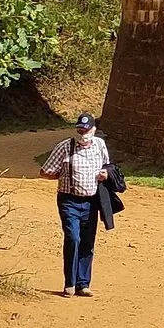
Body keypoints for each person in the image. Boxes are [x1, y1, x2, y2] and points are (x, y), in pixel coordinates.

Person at [40, 113, 111, 297]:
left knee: (87, 241)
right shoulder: (64, 147)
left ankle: (83, 284)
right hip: (69, 201)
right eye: (80, 130)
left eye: (86, 130)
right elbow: (45, 171)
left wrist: (106, 174)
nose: (83, 133)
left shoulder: (99, 145)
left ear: (93, 130)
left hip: (91, 202)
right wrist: (63, 176)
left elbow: (107, 165)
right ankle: (70, 283)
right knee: (73, 238)